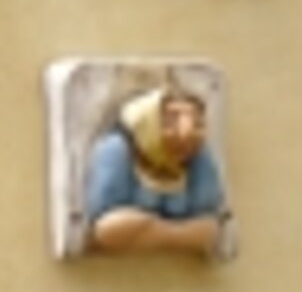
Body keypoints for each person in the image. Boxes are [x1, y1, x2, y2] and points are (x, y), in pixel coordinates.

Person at [85, 85, 228, 258]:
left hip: (153, 232)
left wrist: (153, 229)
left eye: (198, 124)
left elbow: (207, 222)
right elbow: (107, 224)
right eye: (169, 121)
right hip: (127, 227)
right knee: (111, 228)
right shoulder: (116, 149)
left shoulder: (199, 158)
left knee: (208, 230)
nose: (186, 135)